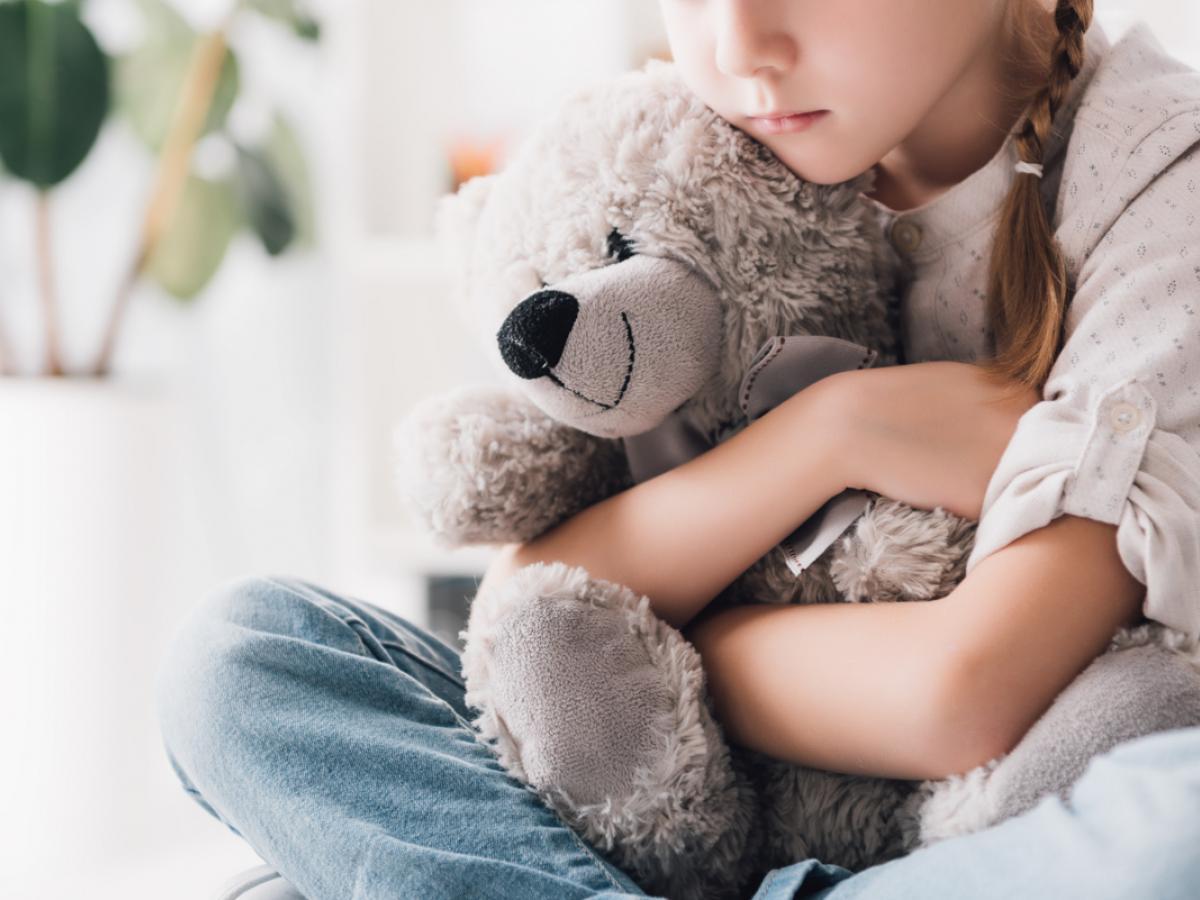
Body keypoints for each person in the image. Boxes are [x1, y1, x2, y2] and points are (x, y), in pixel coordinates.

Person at [156, 2, 1200, 898]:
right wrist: (834, 433)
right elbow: (531, 611)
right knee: (244, 655)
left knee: (1177, 816)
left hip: (960, 833)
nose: (742, 44)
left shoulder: (1156, 177)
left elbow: (961, 693)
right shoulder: (696, 138)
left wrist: (639, 643)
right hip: (657, 795)